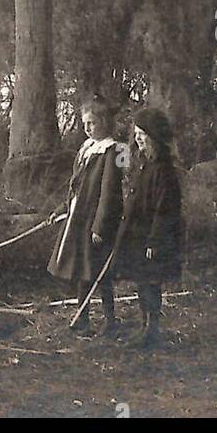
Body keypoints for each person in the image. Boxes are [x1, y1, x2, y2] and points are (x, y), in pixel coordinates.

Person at [47, 95, 124, 337]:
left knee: (101, 272)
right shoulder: (87, 148)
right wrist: (62, 209)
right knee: (82, 269)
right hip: (79, 219)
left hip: (95, 222)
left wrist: (100, 226)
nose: (87, 128)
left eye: (92, 123)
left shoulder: (113, 150)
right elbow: (76, 187)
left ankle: (110, 320)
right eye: (85, 123)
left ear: (104, 122)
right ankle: (82, 317)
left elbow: (109, 193)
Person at [114, 106, 182, 350]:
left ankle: (152, 331)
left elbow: (165, 211)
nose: (138, 138)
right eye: (137, 133)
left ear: (155, 137)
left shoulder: (164, 172)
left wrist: (155, 241)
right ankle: (145, 327)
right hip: (139, 237)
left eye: (144, 133)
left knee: (151, 284)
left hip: (154, 240)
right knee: (142, 283)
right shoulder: (144, 165)